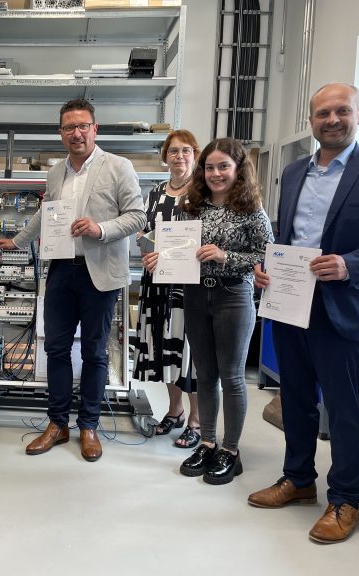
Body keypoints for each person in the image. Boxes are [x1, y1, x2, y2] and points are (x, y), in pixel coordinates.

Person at [248, 83, 359, 543]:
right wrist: (268, 266)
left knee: (341, 409)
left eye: (341, 111)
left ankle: (345, 500)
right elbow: (290, 235)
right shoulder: (295, 172)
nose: (331, 120)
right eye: (322, 113)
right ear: (312, 120)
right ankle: (298, 480)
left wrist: (350, 264)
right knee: (294, 398)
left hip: (346, 307)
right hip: (294, 304)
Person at [0, 98, 145, 461]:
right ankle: (57, 424)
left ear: (95, 128)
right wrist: (17, 240)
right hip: (61, 271)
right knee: (56, 349)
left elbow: (138, 216)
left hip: (100, 275)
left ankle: (89, 425)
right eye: (68, 127)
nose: (76, 133)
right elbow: (47, 216)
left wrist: (100, 228)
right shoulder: (56, 173)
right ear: (60, 133)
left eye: (83, 126)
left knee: (94, 352)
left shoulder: (119, 167)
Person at [178, 137, 273, 485]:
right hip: (195, 295)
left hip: (233, 296)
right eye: (209, 167)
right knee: (205, 375)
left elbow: (269, 255)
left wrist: (225, 257)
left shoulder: (251, 209)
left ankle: (230, 451)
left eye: (223, 166)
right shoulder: (193, 206)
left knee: (232, 377)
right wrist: (162, 257)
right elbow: (180, 248)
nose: (216, 173)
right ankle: (207, 441)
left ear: (238, 169)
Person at [133, 129, 201, 447]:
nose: (179, 156)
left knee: (190, 354)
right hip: (158, 284)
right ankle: (174, 411)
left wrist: (166, 253)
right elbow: (149, 231)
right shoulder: (157, 192)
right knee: (166, 352)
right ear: (165, 157)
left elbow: (201, 241)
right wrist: (144, 245)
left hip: (188, 288)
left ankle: (197, 421)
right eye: (173, 151)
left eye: (186, 150)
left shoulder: (202, 193)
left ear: (195, 155)